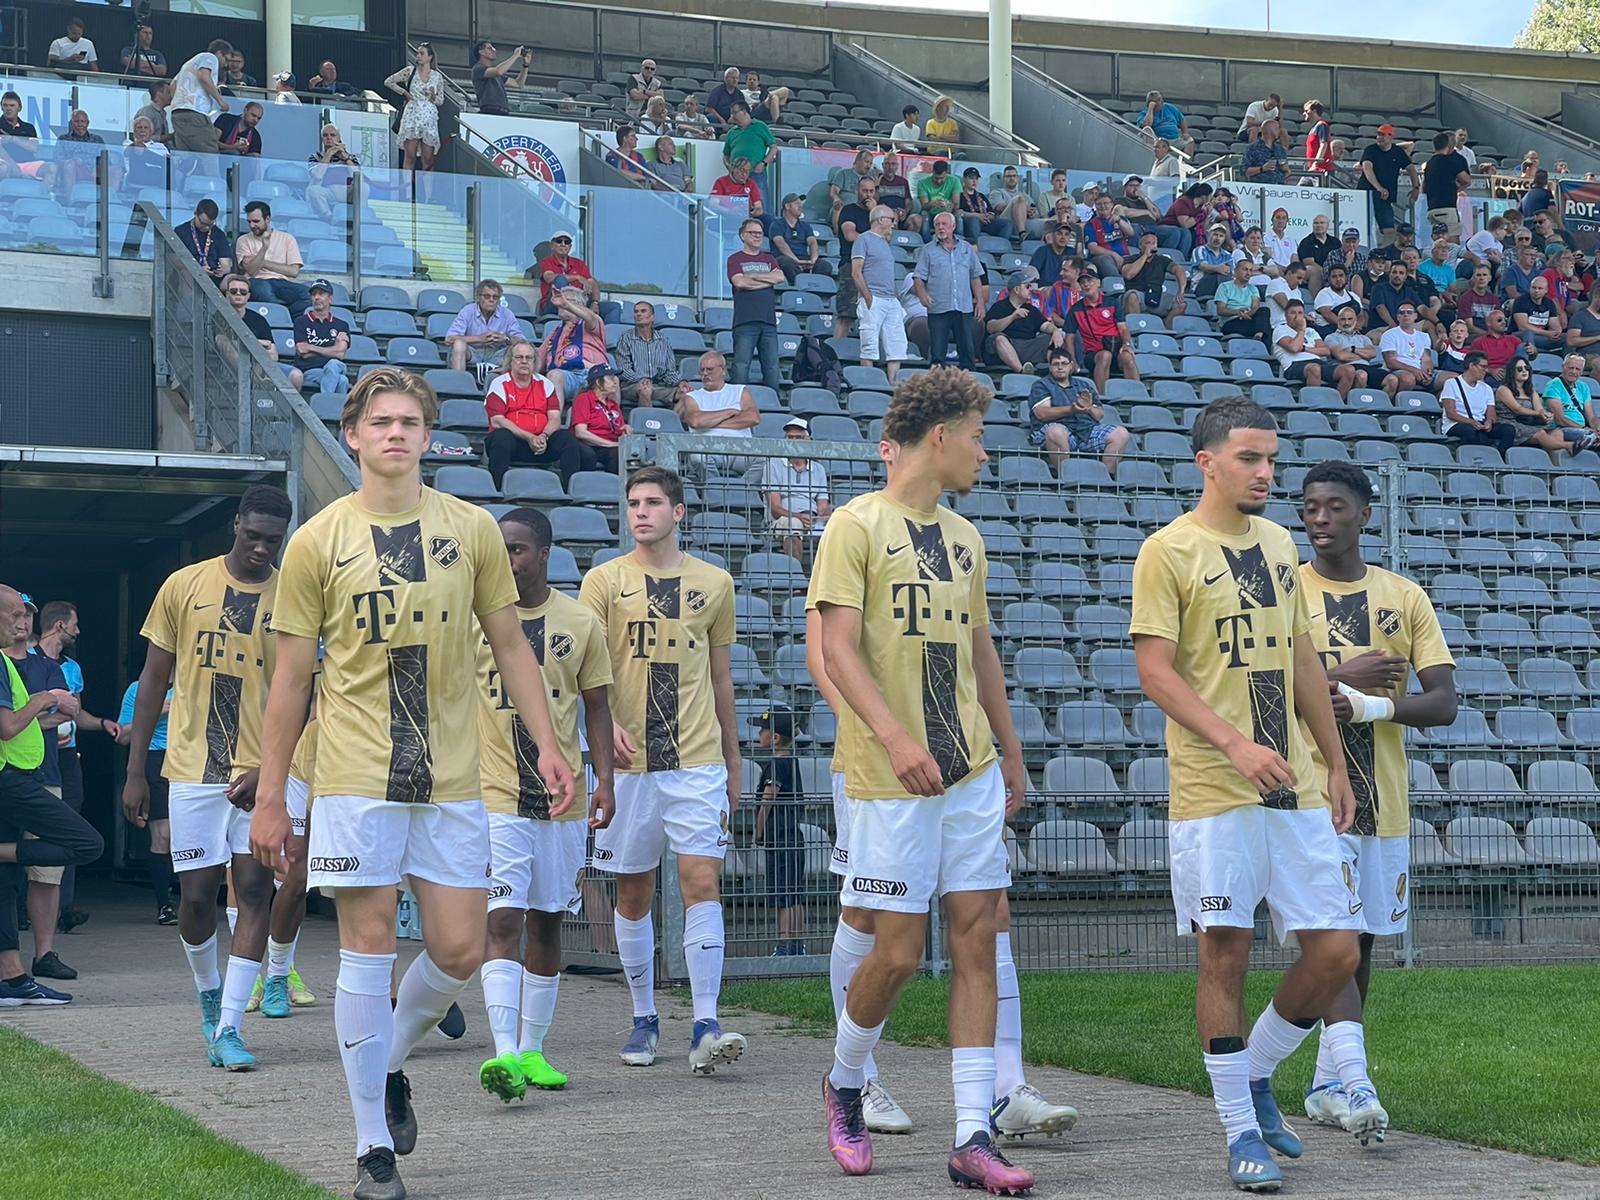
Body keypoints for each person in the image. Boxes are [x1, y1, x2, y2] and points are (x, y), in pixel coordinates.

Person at [248, 368, 574, 1200]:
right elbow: (290, 679)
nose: (396, 433)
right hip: (356, 776)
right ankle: (370, 1152)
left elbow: (511, 646)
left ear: (429, 436)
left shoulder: (470, 531)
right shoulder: (319, 539)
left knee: (461, 949)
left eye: (410, 421)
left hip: (455, 774)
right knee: (365, 948)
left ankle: (386, 1066)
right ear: (353, 435)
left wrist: (547, 745)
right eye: (380, 421)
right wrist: (272, 793)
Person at [1131, 395, 1362, 1194]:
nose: (1268, 473)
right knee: (1225, 955)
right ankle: (1238, 1134)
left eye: (1272, 459)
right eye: (1250, 459)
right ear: (1208, 462)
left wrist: (1333, 759)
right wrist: (1233, 742)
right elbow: (1154, 671)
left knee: (1336, 951)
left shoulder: (1277, 541)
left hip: (1291, 785)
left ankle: (1257, 1074)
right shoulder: (1167, 550)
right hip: (1213, 789)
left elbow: (1302, 659)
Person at [813, 368, 1037, 1192]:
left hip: (970, 770)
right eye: (978, 435)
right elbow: (836, 650)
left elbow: (981, 654)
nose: (985, 451)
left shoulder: (967, 538)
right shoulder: (856, 525)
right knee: (899, 953)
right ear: (939, 436)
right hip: (890, 774)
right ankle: (843, 1082)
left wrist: (1009, 752)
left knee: (979, 937)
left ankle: (972, 1133)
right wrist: (897, 736)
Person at [1295, 462, 1456, 1144]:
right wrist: (1339, 674)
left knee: (1359, 946)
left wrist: (1367, 703)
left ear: (1364, 513)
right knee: (1332, 938)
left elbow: (1443, 703)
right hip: (1304, 798)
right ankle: (1357, 1084)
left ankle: (1328, 1083)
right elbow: (1254, 687)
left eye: (1334, 506)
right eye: (1309, 507)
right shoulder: (1282, 590)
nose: (1320, 517)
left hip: (1381, 800)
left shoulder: (1404, 596)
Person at [579, 465, 747, 1074]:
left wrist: (733, 759)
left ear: (679, 512)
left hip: (695, 759)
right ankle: (644, 1015)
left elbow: (722, 677)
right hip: (628, 765)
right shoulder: (603, 581)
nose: (640, 512)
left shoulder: (715, 583)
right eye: (632, 503)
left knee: (702, 880)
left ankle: (706, 1020)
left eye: (653, 502)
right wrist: (602, 727)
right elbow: (584, 669)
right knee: (633, 889)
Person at [121, 486, 294, 1071]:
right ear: (236, 525)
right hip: (193, 769)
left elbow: (312, 696)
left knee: (253, 892)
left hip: (261, 774)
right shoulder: (183, 585)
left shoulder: (294, 594)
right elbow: (151, 681)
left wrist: (271, 769)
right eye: (253, 536)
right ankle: (208, 992)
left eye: (273, 540)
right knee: (195, 898)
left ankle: (230, 1028)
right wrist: (136, 770)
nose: (261, 549)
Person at [475, 507, 616, 1102]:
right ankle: (504, 1051)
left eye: (518, 550)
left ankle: (533, 1049)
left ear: (545, 553)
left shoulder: (579, 622)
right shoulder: (474, 622)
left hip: (562, 798)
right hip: (494, 792)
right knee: (502, 918)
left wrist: (604, 781)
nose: (509, 560)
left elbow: (599, 710)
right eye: (501, 549)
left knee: (550, 919)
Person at [0, 584, 104, 1008]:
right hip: (12, 781)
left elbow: (18, 727)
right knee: (88, 844)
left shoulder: (10, 665)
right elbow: (7, 729)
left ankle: (13, 979)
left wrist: (53, 715)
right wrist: (49, 697)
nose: (21, 622)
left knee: (5, 886)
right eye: (13, 615)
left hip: (15, 775)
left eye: (26, 615)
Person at [485, 339, 586, 486]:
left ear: (534, 361)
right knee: (501, 436)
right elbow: (497, 420)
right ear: (511, 361)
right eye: (519, 357)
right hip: (513, 444)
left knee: (567, 439)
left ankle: (571, 489)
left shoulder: (545, 383)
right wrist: (529, 437)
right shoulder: (499, 383)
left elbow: (555, 418)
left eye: (528, 358)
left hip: (541, 444)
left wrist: (543, 437)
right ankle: (496, 487)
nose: (524, 361)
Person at [749, 702, 806, 958]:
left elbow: (768, 800)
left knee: (783, 893)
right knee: (794, 892)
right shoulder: (790, 762)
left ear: (774, 737)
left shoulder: (776, 765)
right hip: (792, 835)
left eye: (762, 730)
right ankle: (797, 943)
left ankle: (784, 944)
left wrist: (758, 832)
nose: (758, 734)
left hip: (780, 837)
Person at [119, 678, 176, 923]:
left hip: (192, 760)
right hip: (154, 759)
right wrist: (157, 709)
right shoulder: (138, 688)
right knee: (163, 835)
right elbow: (122, 736)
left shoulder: (195, 681)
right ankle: (165, 905)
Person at [1030, 346, 1129, 474]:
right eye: (1056, 364)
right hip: (1055, 430)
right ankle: (1065, 476)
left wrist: (1089, 409)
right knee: (1056, 431)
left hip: (1085, 430)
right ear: (1050, 367)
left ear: (1071, 366)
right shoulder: (1041, 385)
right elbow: (1042, 414)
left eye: (1064, 363)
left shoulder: (1084, 385)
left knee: (1121, 433)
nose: (1060, 367)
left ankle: (1106, 479)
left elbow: (1099, 415)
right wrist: (1072, 409)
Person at [914, 212, 987, 370]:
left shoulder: (967, 249)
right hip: (938, 308)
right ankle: (937, 388)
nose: (940, 227)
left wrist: (980, 303)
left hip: (964, 308)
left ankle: (968, 388)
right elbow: (918, 277)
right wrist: (922, 295)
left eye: (944, 224)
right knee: (938, 355)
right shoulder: (927, 250)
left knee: (968, 353)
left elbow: (975, 277)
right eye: (937, 224)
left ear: (953, 227)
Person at [728, 216, 784, 388]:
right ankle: (737, 404)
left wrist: (752, 276)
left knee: (772, 367)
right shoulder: (735, 259)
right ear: (742, 236)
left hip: (768, 321)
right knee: (741, 366)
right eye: (753, 233)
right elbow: (740, 283)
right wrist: (767, 280)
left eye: (760, 233)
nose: (758, 236)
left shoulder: (769, 259)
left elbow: (780, 277)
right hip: (745, 321)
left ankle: (773, 403)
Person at [854, 206, 908, 385]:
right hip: (874, 298)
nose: (894, 224)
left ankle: (893, 385)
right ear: (881, 220)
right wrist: (868, 298)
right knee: (869, 345)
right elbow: (856, 272)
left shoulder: (885, 242)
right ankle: (868, 385)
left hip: (890, 300)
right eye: (891, 219)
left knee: (896, 345)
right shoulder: (863, 239)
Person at [764, 418, 831, 561]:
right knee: (793, 525)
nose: (794, 441)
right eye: (790, 437)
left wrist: (819, 518)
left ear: (809, 440)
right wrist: (799, 517)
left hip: (811, 519)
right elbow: (775, 508)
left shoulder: (818, 469)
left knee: (836, 527)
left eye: (799, 437)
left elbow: (823, 507)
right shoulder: (774, 464)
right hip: (783, 520)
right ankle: (796, 578)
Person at [678, 352, 758, 470]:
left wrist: (710, 423)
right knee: (697, 458)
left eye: (709, 369)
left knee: (766, 460)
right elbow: (696, 422)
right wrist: (729, 412)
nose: (705, 374)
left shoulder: (740, 390)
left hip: (741, 451)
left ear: (723, 370)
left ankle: (742, 487)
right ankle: (712, 489)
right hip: (707, 449)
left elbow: (753, 418)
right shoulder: (692, 396)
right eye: (702, 370)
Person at [236, 201, 310, 321]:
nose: (252, 225)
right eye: (249, 221)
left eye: (256, 221)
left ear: (267, 219)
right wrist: (264, 248)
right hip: (257, 281)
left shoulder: (287, 239)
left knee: (308, 295)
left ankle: (288, 318)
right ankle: (280, 316)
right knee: (262, 290)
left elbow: (293, 271)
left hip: (282, 282)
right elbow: (251, 270)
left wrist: (263, 262)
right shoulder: (243, 240)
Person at [221, 272, 297, 388]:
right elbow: (222, 343)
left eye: (243, 292)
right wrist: (258, 343)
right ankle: (255, 379)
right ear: (227, 294)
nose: (238, 294)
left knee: (296, 376)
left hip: (259, 365)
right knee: (224, 341)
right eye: (233, 291)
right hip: (230, 367)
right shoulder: (220, 316)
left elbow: (273, 354)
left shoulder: (259, 320)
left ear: (248, 296)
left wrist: (249, 347)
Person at [1069, 272, 1141, 393]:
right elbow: (1069, 338)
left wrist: (1127, 344)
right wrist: (1073, 361)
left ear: (1098, 283)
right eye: (1082, 282)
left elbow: (1123, 328)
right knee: (1104, 355)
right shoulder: (1075, 309)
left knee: (1127, 356)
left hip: (1115, 349)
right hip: (1093, 355)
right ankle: (1101, 397)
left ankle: (1138, 396)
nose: (1086, 284)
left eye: (1089, 280)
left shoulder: (1112, 303)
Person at [535, 282, 607, 403]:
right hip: (566, 376)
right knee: (554, 375)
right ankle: (555, 420)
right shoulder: (554, 333)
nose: (562, 304)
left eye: (568, 300)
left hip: (593, 374)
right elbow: (536, 362)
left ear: (580, 305)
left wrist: (566, 304)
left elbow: (590, 316)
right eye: (560, 300)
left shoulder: (590, 323)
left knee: (611, 380)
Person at [386, 44, 444, 178]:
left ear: (430, 57)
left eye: (421, 53)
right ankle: (407, 193)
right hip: (412, 114)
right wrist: (405, 93)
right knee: (410, 156)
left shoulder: (437, 76)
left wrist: (434, 97)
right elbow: (389, 81)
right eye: (417, 53)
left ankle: (427, 195)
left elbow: (441, 100)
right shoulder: (410, 71)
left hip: (428, 117)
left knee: (428, 159)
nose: (418, 56)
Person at [984, 274, 1061, 373]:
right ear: (1016, 289)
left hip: (1027, 347)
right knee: (999, 338)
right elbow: (991, 328)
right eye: (1027, 286)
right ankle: (1021, 371)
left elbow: (1046, 326)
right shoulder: (999, 307)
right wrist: (1012, 317)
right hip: (1005, 348)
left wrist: (1055, 331)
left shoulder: (1032, 310)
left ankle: (1055, 372)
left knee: (1053, 338)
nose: (1031, 290)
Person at [168, 39, 232, 154]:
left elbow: (173, 85)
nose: (225, 64)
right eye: (226, 59)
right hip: (195, 112)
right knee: (209, 153)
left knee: (185, 158)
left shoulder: (188, 64)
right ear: (220, 53)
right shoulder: (210, 57)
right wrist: (220, 101)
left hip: (177, 112)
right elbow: (203, 76)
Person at [1441, 351, 1513, 451]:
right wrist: (1471, 422)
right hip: (1457, 424)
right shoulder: (1451, 383)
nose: (1486, 370)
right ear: (1471, 366)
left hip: (1479, 424)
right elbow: (1451, 413)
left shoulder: (1487, 388)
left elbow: (1491, 412)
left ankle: (1500, 457)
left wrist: (1489, 422)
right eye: (1482, 366)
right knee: (1470, 431)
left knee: (1508, 430)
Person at [1360, 125, 1420, 246]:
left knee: (1390, 232)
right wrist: (1378, 187)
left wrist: (1416, 187)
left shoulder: (1397, 152)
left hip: (1385, 198)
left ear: (1391, 137)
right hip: (1366, 194)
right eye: (1378, 134)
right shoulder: (1370, 149)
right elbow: (1367, 168)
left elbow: (1411, 169)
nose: (1379, 137)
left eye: (1383, 135)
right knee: (1363, 228)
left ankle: (1381, 254)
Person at [447, 279, 520, 378]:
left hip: (498, 354)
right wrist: (479, 339)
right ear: (478, 298)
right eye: (487, 296)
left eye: (495, 297)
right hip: (473, 353)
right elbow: (449, 339)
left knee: (521, 349)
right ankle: (460, 382)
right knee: (459, 344)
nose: (491, 300)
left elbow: (522, 342)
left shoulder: (507, 314)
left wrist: (506, 338)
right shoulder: (467, 311)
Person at [614, 301, 681, 408]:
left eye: (643, 311)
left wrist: (681, 382)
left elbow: (670, 370)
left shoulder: (663, 340)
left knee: (686, 393)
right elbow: (624, 370)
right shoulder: (625, 338)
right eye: (636, 312)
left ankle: (671, 423)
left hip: (658, 385)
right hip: (632, 386)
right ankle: (647, 423)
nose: (638, 314)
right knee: (645, 390)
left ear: (652, 317)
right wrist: (640, 380)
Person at [292, 279, 351, 397]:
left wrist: (312, 348)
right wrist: (331, 349)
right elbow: (302, 351)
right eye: (314, 294)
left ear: (330, 298)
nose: (316, 297)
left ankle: (324, 406)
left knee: (333, 364)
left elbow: (339, 354)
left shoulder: (342, 325)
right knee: (342, 380)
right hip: (310, 370)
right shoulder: (301, 322)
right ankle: (335, 413)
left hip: (335, 367)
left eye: (321, 294)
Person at [834, 176, 876, 339]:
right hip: (851, 266)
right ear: (857, 191)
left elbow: (886, 237)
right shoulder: (849, 210)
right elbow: (850, 235)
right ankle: (837, 352)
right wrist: (874, 240)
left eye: (871, 191)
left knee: (875, 315)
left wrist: (874, 212)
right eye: (864, 191)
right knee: (846, 315)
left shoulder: (878, 213)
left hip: (873, 269)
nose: (868, 195)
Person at [569, 364, 626, 473]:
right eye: (610, 378)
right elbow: (581, 433)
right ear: (598, 382)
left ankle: (614, 487)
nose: (615, 382)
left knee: (618, 453)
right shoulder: (584, 399)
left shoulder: (613, 405)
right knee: (587, 455)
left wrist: (626, 431)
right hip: (587, 444)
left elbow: (620, 432)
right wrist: (611, 444)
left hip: (608, 447)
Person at [1122, 230, 1188, 319]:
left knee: (1181, 304)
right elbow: (1128, 274)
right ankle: (1136, 326)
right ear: (1140, 246)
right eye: (1148, 243)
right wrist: (1145, 256)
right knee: (1132, 296)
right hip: (1138, 294)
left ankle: (1167, 327)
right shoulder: (1130, 259)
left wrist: (1181, 290)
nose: (1151, 246)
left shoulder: (1162, 260)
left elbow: (1178, 270)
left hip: (1156, 296)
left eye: (1154, 243)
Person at [1324, 306, 1386, 400]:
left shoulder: (1364, 338)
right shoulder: (1331, 337)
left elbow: (1373, 354)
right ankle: (1356, 405)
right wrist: (1363, 355)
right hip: (1347, 367)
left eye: (1350, 319)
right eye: (1343, 319)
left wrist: (1352, 349)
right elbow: (1341, 356)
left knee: (1392, 380)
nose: (1346, 323)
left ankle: (1380, 407)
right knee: (1361, 375)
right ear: (1338, 320)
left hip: (1367, 367)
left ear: (1355, 321)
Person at [1541, 354, 1600, 450]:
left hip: (1583, 429)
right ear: (1563, 367)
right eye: (1570, 368)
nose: (1574, 372)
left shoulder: (1583, 386)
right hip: (1562, 428)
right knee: (1591, 437)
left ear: (1582, 371)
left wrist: (1597, 427)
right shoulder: (1553, 385)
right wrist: (1583, 428)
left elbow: (1592, 417)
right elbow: (1559, 419)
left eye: (1578, 369)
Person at [1422, 132, 1472, 241]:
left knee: (1438, 243)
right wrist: (1457, 190)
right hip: (1447, 207)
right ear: (1449, 145)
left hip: (1432, 207)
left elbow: (1423, 187)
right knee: (1452, 244)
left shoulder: (1429, 163)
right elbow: (1466, 180)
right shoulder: (1449, 161)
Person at [534, 232, 599, 315]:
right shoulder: (547, 262)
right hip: (553, 306)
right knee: (560, 280)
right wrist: (577, 277)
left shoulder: (579, 264)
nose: (563, 244)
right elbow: (548, 277)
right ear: (552, 246)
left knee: (613, 307)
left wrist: (595, 302)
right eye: (559, 241)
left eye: (567, 242)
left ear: (570, 247)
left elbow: (593, 284)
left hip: (579, 306)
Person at [1271, 299, 1332, 388]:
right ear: (1285, 315)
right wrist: (1301, 329)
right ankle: (1314, 401)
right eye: (1293, 313)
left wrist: (1304, 349)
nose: (1297, 317)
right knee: (1314, 368)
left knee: (1348, 370)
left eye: (1300, 313)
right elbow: (1294, 348)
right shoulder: (1280, 330)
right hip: (1294, 365)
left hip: (1317, 362)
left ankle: (1340, 400)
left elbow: (1326, 351)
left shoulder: (1311, 331)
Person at [1120, 174, 1186, 255]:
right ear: (1125, 187)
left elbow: (1157, 215)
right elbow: (1126, 212)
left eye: (1138, 185)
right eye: (1132, 185)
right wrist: (1147, 212)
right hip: (1136, 227)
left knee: (1175, 232)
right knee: (1135, 228)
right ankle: (1137, 256)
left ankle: (1161, 256)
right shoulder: (1120, 200)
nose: (1135, 188)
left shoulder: (1144, 201)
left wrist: (1144, 197)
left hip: (1153, 227)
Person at [1379, 303, 1436, 392]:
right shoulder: (1389, 334)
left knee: (1451, 378)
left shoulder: (1424, 336)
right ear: (1398, 317)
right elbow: (1391, 362)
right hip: (1397, 370)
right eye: (1401, 313)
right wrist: (1415, 371)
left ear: (1415, 316)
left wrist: (1427, 373)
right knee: (1408, 379)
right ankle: (1397, 404)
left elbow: (1426, 359)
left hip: (1419, 370)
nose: (1405, 314)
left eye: (1409, 312)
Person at [307, 124, 360, 221]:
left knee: (364, 188)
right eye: (325, 135)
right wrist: (329, 154)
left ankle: (361, 218)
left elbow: (358, 177)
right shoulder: (315, 157)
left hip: (347, 191)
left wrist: (346, 158)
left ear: (339, 138)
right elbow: (317, 176)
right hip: (327, 190)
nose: (329, 138)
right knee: (313, 191)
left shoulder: (351, 157)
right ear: (322, 139)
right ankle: (328, 217)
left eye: (332, 135)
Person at [176, 199, 234, 285]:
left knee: (232, 279)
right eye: (203, 223)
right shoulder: (181, 231)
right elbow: (175, 261)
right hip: (191, 273)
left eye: (210, 224)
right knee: (185, 274)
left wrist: (222, 270)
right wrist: (198, 269)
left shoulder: (219, 234)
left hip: (214, 275)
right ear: (196, 214)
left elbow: (226, 263)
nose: (206, 228)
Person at [772, 193, 826, 283]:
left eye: (800, 203)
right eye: (797, 203)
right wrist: (796, 261)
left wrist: (813, 260)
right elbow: (780, 243)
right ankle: (798, 285)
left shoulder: (805, 226)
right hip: (785, 258)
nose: (800, 206)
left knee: (824, 265)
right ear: (787, 206)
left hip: (803, 259)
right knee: (787, 263)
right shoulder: (776, 225)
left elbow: (812, 242)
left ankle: (812, 285)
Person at [1216, 259, 1272, 342]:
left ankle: (1258, 335)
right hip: (1231, 322)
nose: (1248, 273)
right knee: (1267, 330)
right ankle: (1260, 340)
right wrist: (1237, 312)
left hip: (1248, 319)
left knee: (1265, 310)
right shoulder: (1224, 286)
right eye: (1245, 269)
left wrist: (1246, 315)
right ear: (1235, 271)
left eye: (1250, 270)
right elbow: (1220, 310)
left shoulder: (1253, 289)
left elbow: (1255, 307)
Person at [1084, 192, 1135, 282]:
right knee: (1105, 259)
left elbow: (1131, 233)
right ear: (1095, 206)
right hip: (1103, 258)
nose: (1103, 206)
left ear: (1112, 205)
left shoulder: (1120, 219)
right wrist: (1113, 254)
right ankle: (1119, 286)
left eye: (1106, 203)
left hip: (1125, 257)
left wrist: (1119, 221)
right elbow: (1092, 248)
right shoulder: (1091, 224)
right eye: (1099, 204)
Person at [1468, 307, 1524, 384]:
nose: (1504, 322)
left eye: (1505, 320)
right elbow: (1473, 364)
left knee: (1523, 348)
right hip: (1492, 377)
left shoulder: (1514, 340)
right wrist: (1490, 370)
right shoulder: (1479, 342)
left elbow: (1526, 358)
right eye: (1499, 320)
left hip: (1512, 372)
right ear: (1489, 323)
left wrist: (1533, 352)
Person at [1512, 274, 1566, 353]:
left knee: (1568, 337)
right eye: (1534, 287)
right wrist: (1546, 333)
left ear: (1546, 290)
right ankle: (1528, 363)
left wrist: (1554, 334)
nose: (1536, 290)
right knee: (1528, 334)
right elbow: (1522, 326)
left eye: (1540, 288)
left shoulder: (1549, 303)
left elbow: (1556, 327)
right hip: (1520, 336)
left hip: (1542, 337)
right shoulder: (1520, 301)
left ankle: (1568, 363)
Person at [472, 41, 529, 115]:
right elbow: (499, 71)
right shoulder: (478, 68)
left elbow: (518, 84)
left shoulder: (495, 75)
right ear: (481, 52)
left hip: (503, 111)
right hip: (489, 110)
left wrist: (526, 65)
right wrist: (515, 56)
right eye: (490, 48)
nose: (493, 50)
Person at [958, 167, 1010, 242]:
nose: (974, 181)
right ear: (964, 179)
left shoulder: (981, 196)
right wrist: (977, 216)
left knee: (1007, 224)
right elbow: (959, 212)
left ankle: (1000, 247)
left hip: (986, 223)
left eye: (976, 179)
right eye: (971, 178)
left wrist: (987, 216)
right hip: (970, 224)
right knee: (974, 221)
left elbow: (992, 213)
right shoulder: (960, 196)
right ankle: (974, 246)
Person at [709, 158, 764, 225]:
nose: (744, 174)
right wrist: (730, 211)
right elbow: (713, 205)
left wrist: (750, 213)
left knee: (768, 220)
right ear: (733, 169)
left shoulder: (751, 184)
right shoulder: (721, 182)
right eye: (742, 170)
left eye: (747, 171)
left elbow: (759, 208)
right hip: (726, 216)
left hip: (747, 218)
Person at [1314, 263, 1364, 334]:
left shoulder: (1354, 296)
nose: (1338, 279)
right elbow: (1327, 314)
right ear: (1328, 279)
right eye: (1334, 276)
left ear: (1346, 278)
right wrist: (1347, 327)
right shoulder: (1324, 294)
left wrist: (1357, 326)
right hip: (1330, 332)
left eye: (1341, 276)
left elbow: (1361, 315)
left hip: (1354, 332)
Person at [875, 153, 918, 235]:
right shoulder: (877, 180)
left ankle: (909, 245)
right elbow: (874, 201)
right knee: (893, 216)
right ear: (883, 165)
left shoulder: (903, 181)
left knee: (917, 219)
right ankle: (894, 243)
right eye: (887, 164)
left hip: (901, 215)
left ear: (897, 166)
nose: (890, 167)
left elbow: (908, 203)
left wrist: (905, 211)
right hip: (883, 216)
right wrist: (876, 185)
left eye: (893, 164)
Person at [1192, 223, 1236, 302]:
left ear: (1224, 239)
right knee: (1220, 274)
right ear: (1208, 235)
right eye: (1215, 234)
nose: (1218, 238)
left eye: (1221, 236)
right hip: (1201, 286)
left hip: (1220, 285)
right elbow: (1203, 266)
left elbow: (1230, 272)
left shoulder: (1228, 255)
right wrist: (1218, 268)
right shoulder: (1200, 250)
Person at [989, 165, 1034, 242]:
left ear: (1017, 178)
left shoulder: (1026, 196)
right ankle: (1022, 233)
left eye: (1014, 176)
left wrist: (1031, 212)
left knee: (1051, 221)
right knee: (1018, 199)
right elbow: (999, 207)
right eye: (1008, 176)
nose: (1012, 178)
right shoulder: (997, 192)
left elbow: (1035, 211)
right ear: (1004, 178)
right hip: (1006, 222)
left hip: (1026, 222)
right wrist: (1022, 206)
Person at [1140, 90, 1191, 154]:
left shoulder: (1169, 107)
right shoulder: (1144, 113)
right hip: (1159, 141)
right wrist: (1150, 109)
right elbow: (1146, 125)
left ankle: (1185, 162)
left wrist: (1185, 132)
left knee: (1190, 141)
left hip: (1175, 139)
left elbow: (1182, 119)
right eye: (1155, 101)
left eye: (1160, 99)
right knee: (1147, 129)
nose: (1159, 102)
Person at [1241, 119, 1289, 185]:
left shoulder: (1280, 149)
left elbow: (1287, 172)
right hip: (1260, 187)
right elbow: (1244, 171)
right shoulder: (1253, 148)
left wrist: (1286, 170)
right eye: (1276, 128)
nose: (1279, 131)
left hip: (1279, 188)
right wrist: (1262, 168)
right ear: (1269, 130)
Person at [1302, 101, 1333, 183]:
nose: (1304, 113)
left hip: (1321, 170)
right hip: (1312, 170)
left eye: (1306, 111)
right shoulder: (1313, 128)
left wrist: (1316, 163)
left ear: (1314, 111)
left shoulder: (1322, 125)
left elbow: (1323, 144)